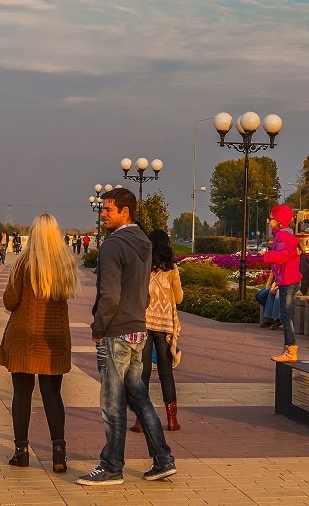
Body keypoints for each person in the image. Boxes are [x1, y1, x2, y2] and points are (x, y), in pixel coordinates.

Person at [77, 187, 176, 486]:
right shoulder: (143, 242)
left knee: (112, 401)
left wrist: (98, 328)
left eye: (108, 210)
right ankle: (163, 459)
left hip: (117, 331)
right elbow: (142, 289)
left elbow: (110, 294)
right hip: (138, 329)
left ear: (125, 211)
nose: (102, 214)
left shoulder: (112, 245)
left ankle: (111, 466)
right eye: (102, 209)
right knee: (138, 395)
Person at [0, 213, 80, 473]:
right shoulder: (65, 263)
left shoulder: (23, 264)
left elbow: (10, 301)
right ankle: (58, 453)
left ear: (33, 234)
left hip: (23, 336)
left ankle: (21, 451)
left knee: (22, 394)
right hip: (54, 338)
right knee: (52, 395)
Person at [130, 229, 184, 433]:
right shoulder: (172, 269)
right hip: (165, 326)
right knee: (166, 374)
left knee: (142, 373)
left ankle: (140, 421)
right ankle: (172, 420)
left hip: (144, 323)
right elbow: (179, 298)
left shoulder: (143, 266)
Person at [259, 204, 301, 363]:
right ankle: (288, 349)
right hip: (287, 280)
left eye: (271, 218)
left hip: (288, 281)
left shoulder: (283, 236)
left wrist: (267, 255)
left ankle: (290, 351)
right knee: (285, 315)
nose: (269, 221)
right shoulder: (284, 235)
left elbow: (283, 256)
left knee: (285, 316)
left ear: (279, 221)